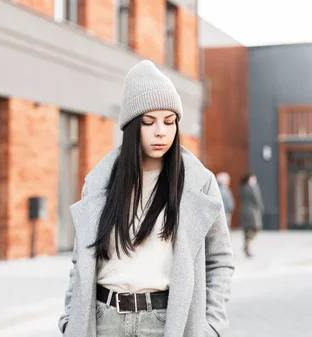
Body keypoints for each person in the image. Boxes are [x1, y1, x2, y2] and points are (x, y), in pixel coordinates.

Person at [58, 60, 234, 337]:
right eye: (148, 122)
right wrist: (69, 318)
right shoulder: (100, 183)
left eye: (169, 121)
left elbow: (220, 260)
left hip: (166, 322)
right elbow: (80, 262)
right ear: (131, 128)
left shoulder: (198, 184)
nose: (161, 131)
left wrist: (209, 326)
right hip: (104, 321)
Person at [239, 172, 264, 257]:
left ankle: (247, 246)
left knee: (246, 230)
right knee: (256, 228)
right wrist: (261, 208)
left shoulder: (243, 187)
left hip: (244, 210)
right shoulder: (253, 187)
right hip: (252, 211)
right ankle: (248, 243)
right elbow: (257, 199)